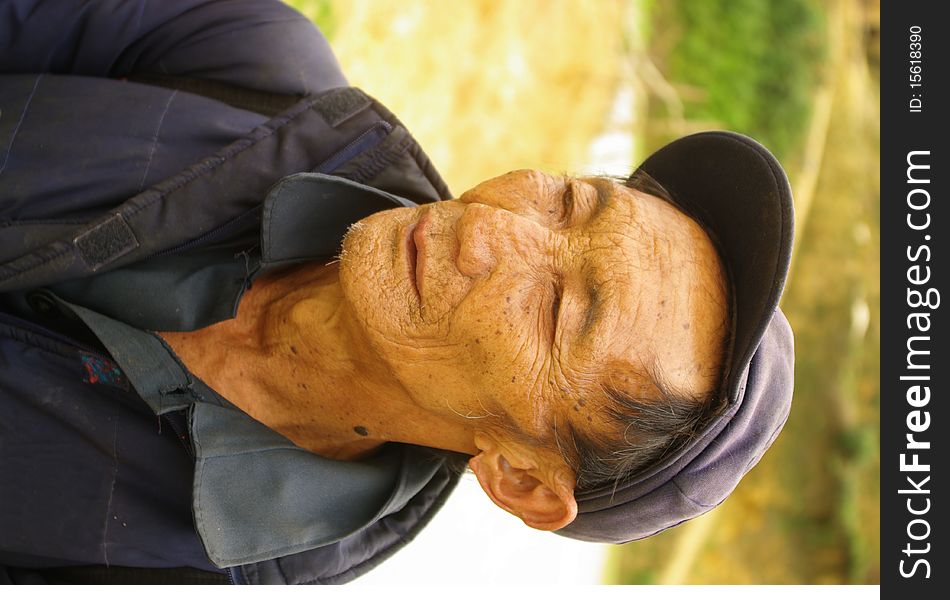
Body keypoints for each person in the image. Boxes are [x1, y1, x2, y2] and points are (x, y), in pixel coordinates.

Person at [0, 0, 795, 585]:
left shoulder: (204, 571)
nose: (489, 229)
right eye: (570, 200)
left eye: (558, 310)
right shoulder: (247, 70)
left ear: (520, 476)